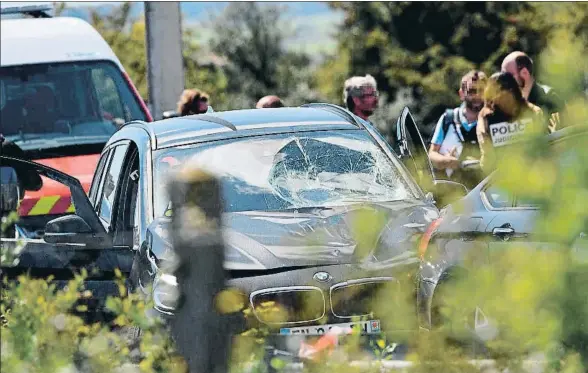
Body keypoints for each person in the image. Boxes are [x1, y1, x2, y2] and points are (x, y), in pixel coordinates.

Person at [428, 70, 488, 189]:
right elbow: (432, 154)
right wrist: (447, 161)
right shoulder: (448, 118)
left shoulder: (492, 121)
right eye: (471, 91)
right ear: (461, 94)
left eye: (481, 91)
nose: (477, 95)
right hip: (448, 194)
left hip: (482, 196)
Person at [476, 72, 544, 174]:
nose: (496, 98)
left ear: (512, 90)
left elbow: (543, 146)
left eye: (499, 91)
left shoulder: (533, 112)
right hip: (503, 178)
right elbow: (487, 159)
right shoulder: (486, 117)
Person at [501, 51, 563, 131]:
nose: (504, 82)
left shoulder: (550, 98)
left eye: (508, 76)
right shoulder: (508, 105)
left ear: (524, 73)